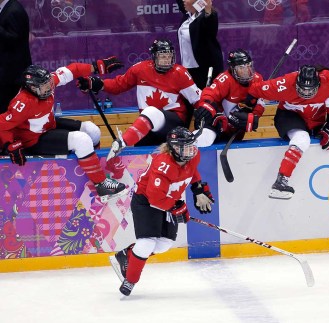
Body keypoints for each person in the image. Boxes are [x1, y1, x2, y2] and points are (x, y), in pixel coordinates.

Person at [0, 58, 128, 203]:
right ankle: (102, 185)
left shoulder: (48, 83)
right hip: (34, 140)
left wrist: (97, 67)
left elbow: (72, 70)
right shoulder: (23, 102)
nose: (49, 88)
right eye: (43, 86)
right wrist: (10, 145)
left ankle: (94, 170)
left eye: (48, 83)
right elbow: (2, 124)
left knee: (93, 130)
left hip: (49, 126)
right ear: (31, 88)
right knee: (82, 140)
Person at [109, 126, 214, 296]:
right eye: (186, 147)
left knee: (164, 245)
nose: (191, 150)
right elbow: (154, 197)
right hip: (146, 201)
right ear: (174, 148)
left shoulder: (193, 155)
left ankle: (126, 254)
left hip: (168, 200)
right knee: (147, 243)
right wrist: (177, 208)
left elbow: (192, 171)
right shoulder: (163, 165)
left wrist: (198, 189)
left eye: (191, 145)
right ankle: (130, 279)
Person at [76, 39, 202, 164]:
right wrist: (96, 84)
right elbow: (119, 84)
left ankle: (122, 142)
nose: (166, 60)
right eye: (162, 56)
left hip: (173, 123)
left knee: (150, 112)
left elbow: (197, 98)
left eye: (169, 56)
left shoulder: (180, 73)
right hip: (148, 125)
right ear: (154, 57)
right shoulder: (140, 70)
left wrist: (205, 112)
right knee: (140, 160)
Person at [248, 64, 329, 200]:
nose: (306, 93)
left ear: (318, 84)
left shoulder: (328, 81)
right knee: (302, 138)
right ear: (296, 83)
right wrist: (251, 109)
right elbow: (253, 90)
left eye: (310, 90)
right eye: (302, 89)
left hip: (315, 119)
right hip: (289, 116)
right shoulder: (285, 84)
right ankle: (281, 181)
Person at [193, 49, 265, 147]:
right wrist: (205, 105)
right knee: (205, 139)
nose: (246, 71)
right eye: (241, 67)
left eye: (248, 66)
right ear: (232, 68)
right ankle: (185, 142)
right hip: (218, 124)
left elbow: (260, 101)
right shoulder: (225, 79)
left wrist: (255, 117)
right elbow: (209, 93)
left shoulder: (258, 79)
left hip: (236, 131)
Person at [176, 0, 224, 90]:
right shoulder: (188, 14)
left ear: (196, 2)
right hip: (188, 68)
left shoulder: (204, 17)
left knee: (206, 100)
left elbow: (210, 20)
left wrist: (207, 8)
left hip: (204, 70)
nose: (183, 1)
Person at [0, 0, 32, 113]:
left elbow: (14, 39)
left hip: (12, 74)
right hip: (6, 73)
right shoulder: (6, 8)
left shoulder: (14, 10)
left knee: (9, 110)